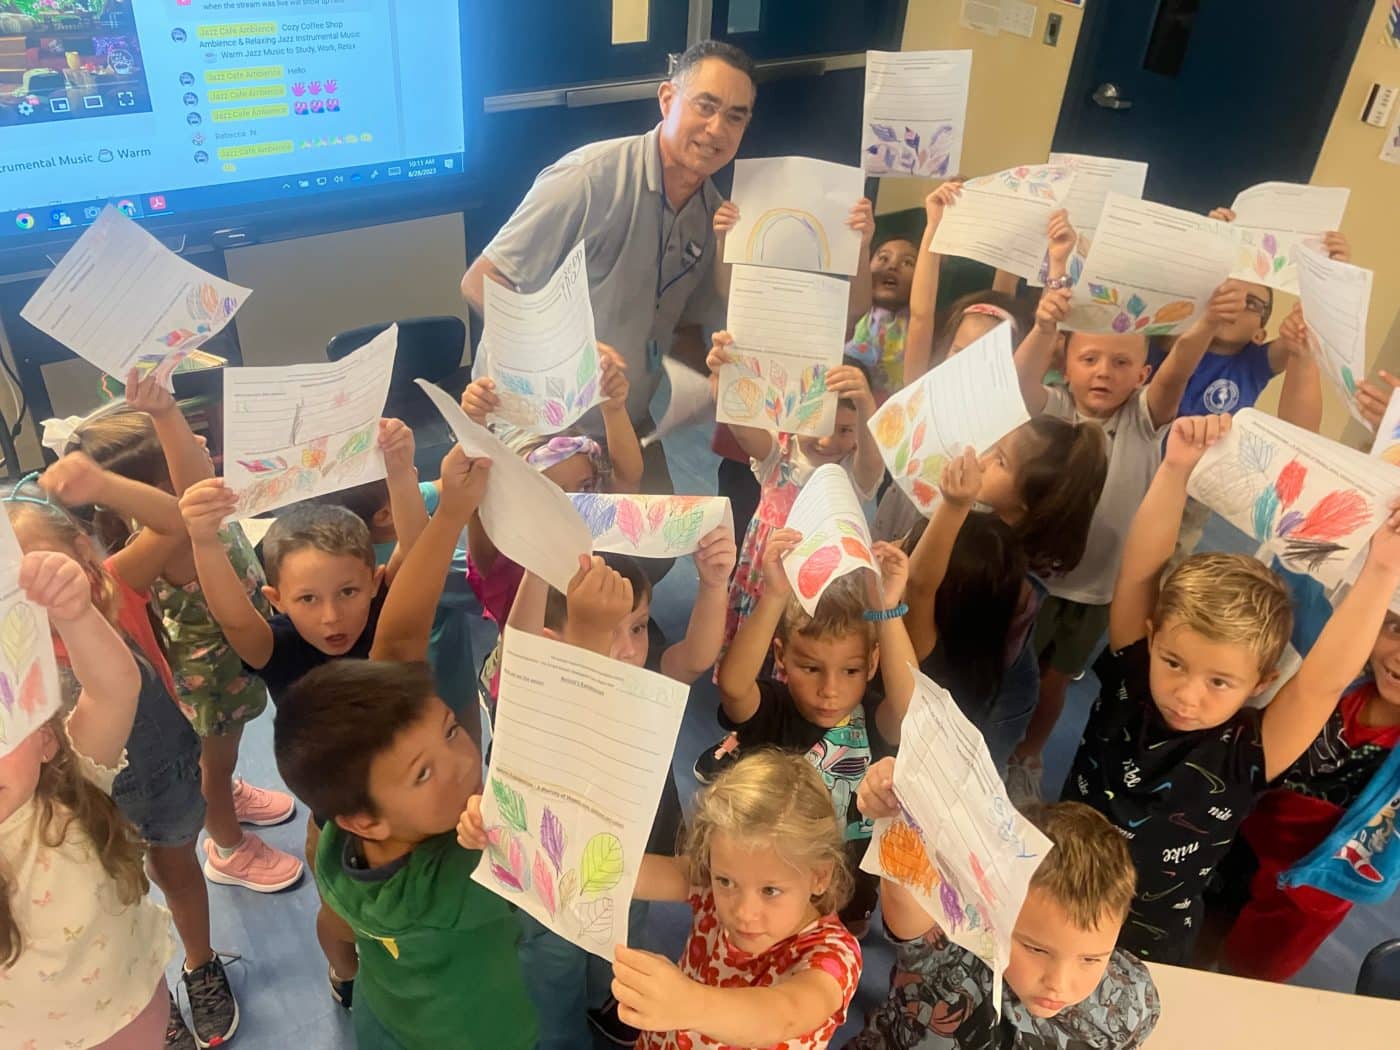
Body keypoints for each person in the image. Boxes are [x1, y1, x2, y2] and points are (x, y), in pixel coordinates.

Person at [1067, 413, 1400, 963]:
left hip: (1143, 944)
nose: (1187, 694)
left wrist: (1383, 569)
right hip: (1053, 885)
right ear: (1153, 636)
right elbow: (1139, 572)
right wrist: (1175, 469)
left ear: (1261, 683)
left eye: (1219, 681)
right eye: (1174, 663)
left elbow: (1322, 684)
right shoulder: (1134, 673)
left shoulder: (1248, 750)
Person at [272, 452, 536, 1048]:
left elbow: (397, 642)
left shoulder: (337, 843)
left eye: (451, 730)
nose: (464, 762)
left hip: (383, 1018)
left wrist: (453, 514)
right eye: (424, 773)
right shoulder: (463, 879)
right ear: (365, 817)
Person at [1006, 211, 1239, 802]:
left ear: (1142, 373)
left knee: (1055, 681)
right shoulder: (1054, 408)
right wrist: (1047, 315)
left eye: (1120, 363)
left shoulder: (1143, 418)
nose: (1103, 373)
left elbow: (1181, 367)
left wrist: (1208, 317)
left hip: (1096, 591)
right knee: (1010, 670)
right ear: (1067, 364)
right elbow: (1019, 381)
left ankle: (1029, 756)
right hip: (1032, 575)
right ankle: (992, 742)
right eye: (1089, 359)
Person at [461, 40, 756, 495]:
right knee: (555, 534)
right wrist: (570, 348)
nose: (717, 128)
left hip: (624, 422)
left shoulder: (712, 216)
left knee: (665, 538)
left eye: (735, 116)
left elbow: (680, 331)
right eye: (706, 106)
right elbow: (481, 280)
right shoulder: (587, 178)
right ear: (667, 99)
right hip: (538, 421)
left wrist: (721, 380)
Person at [6, 479, 236, 1047]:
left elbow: (113, 688)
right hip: (100, 809)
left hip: (156, 779)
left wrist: (73, 608)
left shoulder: (111, 587)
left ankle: (200, 962)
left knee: (173, 873)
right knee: (122, 892)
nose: (29, 594)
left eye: (37, 568)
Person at [55, 371, 303, 893]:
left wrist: (166, 415)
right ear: (159, 489)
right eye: (183, 446)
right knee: (215, 760)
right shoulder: (175, 535)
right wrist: (166, 417)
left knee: (220, 758)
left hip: (232, 665)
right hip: (212, 680)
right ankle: (228, 847)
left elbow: (193, 485)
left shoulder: (194, 515)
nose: (201, 445)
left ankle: (224, 792)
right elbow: (189, 494)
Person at [457, 749, 862, 1049]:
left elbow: (785, 1016)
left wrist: (690, 1003)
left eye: (770, 891)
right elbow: (621, 873)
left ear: (819, 875)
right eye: (726, 880)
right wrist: (511, 835)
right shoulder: (708, 883)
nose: (743, 911)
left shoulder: (834, 956)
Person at [505, 538, 735, 1048]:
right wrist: (536, 568)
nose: (630, 648)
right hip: (557, 874)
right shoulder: (537, 697)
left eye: (638, 626)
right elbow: (520, 649)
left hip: (635, 856)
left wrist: (713, 584)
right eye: (608, 631)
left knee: (621, 932)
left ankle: (600, 998)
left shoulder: (640, 679)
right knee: (554, 964)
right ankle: (563, 1036)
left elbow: (695, 658)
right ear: (551, 642)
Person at [181, 479, 389, 1008]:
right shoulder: (282, 647)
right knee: (339, 918)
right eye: (308, 599)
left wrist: (402, 473)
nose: (331, 616)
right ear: (276, 600)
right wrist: (203, 540)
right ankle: (345, 973)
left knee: (399, 910)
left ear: (374, 582)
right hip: (333, 818)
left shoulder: (385, 614)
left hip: (400, 805)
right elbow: (234, 617)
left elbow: (417, 544)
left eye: (347, 592)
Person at [853, 760, 1161, 1049]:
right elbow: (905, 891)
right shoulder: (948, 955)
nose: (1058, 983)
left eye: (1091, 959)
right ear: (993, 907)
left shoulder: (1130, 1004)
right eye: (1036, 949)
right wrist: (898, 805)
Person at [0, 547, 172, 1049]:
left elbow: (114, 689)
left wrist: (75, 615)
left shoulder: (71, 793)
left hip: (133, 1005)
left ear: (44, 739)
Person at [708, 530, 918, 933]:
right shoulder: (773, 710)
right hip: (764, 888)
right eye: (811, 668)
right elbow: (733, 687)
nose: (830, 690)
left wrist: (888, 611)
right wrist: (774, 596)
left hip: (848, 893)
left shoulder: (875, 720)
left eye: (850, 670)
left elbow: (912, 710)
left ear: (872, 664)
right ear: (781, 656)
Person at [1220, 602, 1400, 981]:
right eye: (1396, 629)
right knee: (1200, 934)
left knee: (1242, 977)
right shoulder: (1342, 684)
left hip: (1305, 894)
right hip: (1244, 841)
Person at [706, 332, 884, 664]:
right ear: (795, 411)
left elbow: (874, 459)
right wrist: (726, 382)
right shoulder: (780, 451)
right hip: (764, 577)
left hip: (819, 585)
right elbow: (743, 430)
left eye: (846, 430)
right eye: (819, 424)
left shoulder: (853, 472)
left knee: (805, 653)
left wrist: (865, 405)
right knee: (757, 645)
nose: (827, 441)